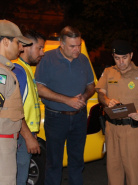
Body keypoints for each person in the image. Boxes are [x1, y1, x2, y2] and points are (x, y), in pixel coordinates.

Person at [35, 26, 95, 185]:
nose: (77, 50)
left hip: (79, 118)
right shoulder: (47, 58)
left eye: (79, 45)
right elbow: (40, 89)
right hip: (55, 118)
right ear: (61, 44)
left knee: (77, 161)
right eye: (72, 46)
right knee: (54, 163)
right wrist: (67, 100)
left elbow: (91, 86)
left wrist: (84, 96)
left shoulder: (83, 60)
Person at [96, 40, 138, 185]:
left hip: (132, 129)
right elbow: (100, 94)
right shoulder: (108, 72)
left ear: (131, 55)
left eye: (124, 57)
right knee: (113, 169)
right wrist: (106, 100)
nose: (121, 62)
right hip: (112, 128)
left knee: (133, 170)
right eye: (117, 58)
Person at [0, 19, 32, 185]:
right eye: (18, 42)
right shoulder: (1, 74)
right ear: (5, 41)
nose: (21, 48)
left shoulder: (5, 70)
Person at [13, 30, 46, 185]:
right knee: (18, 178)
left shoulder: (26, 69)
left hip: (23, 134)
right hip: (20, 136)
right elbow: (14, 109)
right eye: (39, 48)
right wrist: (28, 137)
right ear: (25, 46)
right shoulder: (18, 70)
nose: (43, 52)